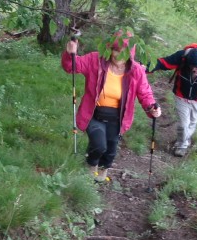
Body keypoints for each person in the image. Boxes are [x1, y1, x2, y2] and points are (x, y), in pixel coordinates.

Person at [62, 31, 162, 182]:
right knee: (99, 145)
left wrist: (151, 108)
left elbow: (145, 93)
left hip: (117, 118)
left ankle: (103, 170)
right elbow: (72, 67)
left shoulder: (136, 71)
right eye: (115, 50)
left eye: (123, 52)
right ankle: (91, 165)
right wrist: (70, 54)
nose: (118, 55)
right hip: (93, 114)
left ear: (130, 53)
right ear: (109, 49)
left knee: (110, 150)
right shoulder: (95, 60)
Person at [149, 44, 197, 157]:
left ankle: (185, 139)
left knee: (192, 123)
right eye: (192, 67)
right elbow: (163, 63)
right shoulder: (182, 57)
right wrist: (142, 68)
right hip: (181, 96)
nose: (194, 70)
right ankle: (182, 145)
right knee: (183, 124)